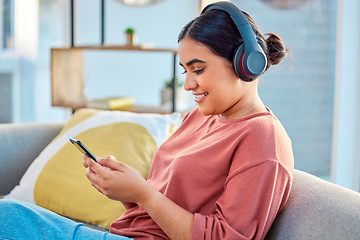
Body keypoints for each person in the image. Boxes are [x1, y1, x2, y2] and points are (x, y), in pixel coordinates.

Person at [0, 2, 293, 240]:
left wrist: (143, 193)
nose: (188, 84)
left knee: (8, 217)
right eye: (184, 71)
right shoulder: (201, 118)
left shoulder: (262, 138)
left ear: (246, 63)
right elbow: (161, 210)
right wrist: (128, 191)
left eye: (199, 69)